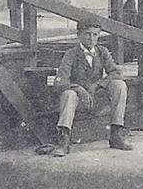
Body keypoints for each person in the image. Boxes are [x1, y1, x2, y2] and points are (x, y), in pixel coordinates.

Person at [52, 19, 133, 156]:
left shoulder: (102, 51)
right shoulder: (71, 54)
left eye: (95, 35)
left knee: (119, 85)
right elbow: (60, 81)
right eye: (87, 34)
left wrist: (97, 84)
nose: (91, 38)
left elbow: (116, 72)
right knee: (68, 94)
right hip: (78, 97)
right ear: (79, 35)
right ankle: (64, 140)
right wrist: (78, 88)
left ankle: (116, 133)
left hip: (96, 94)